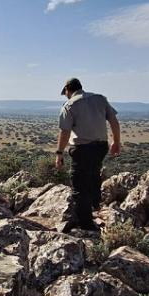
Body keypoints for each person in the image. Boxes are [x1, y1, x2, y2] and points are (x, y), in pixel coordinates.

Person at [54, 77, 122, 231]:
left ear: (67, 90)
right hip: (100, 147)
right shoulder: (100, 99)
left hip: (82, 149)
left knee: (80, 184)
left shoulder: (69, 105)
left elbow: (64, 132)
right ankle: (95, 205)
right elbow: (114, 121)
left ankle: (85, 224)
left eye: (65, 93)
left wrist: (59, 153)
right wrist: (116, 142)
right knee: (93, 174)